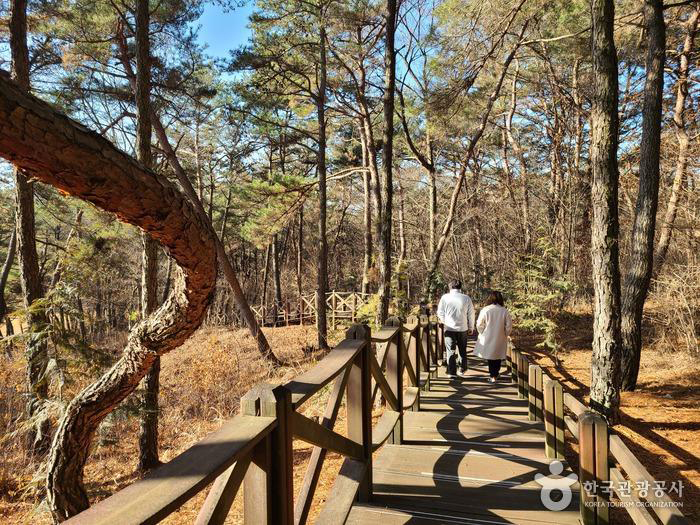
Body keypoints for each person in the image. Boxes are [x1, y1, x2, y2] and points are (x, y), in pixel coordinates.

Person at [437, 280, 475, 378]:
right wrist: (471, 327)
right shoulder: (466, 298)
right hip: (463, 328)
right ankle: (462, 369)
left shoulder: (445, 298)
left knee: (450, 350)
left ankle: (451, 372)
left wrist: (445, 322)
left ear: (450, 287)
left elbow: (440, 312)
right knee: (462, 349)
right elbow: (471, 314)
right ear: (460, 287)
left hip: (449, 328)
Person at [474, 290, 513, 383]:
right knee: (498, 355)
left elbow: (479, 324)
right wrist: (506, 334)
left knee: (491, 356)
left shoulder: (486, 309)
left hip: (488, 335)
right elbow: (509, 325)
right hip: (500, 336)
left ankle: (493, 375)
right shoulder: (504, 310)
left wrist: (482, 332)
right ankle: (495, 374)